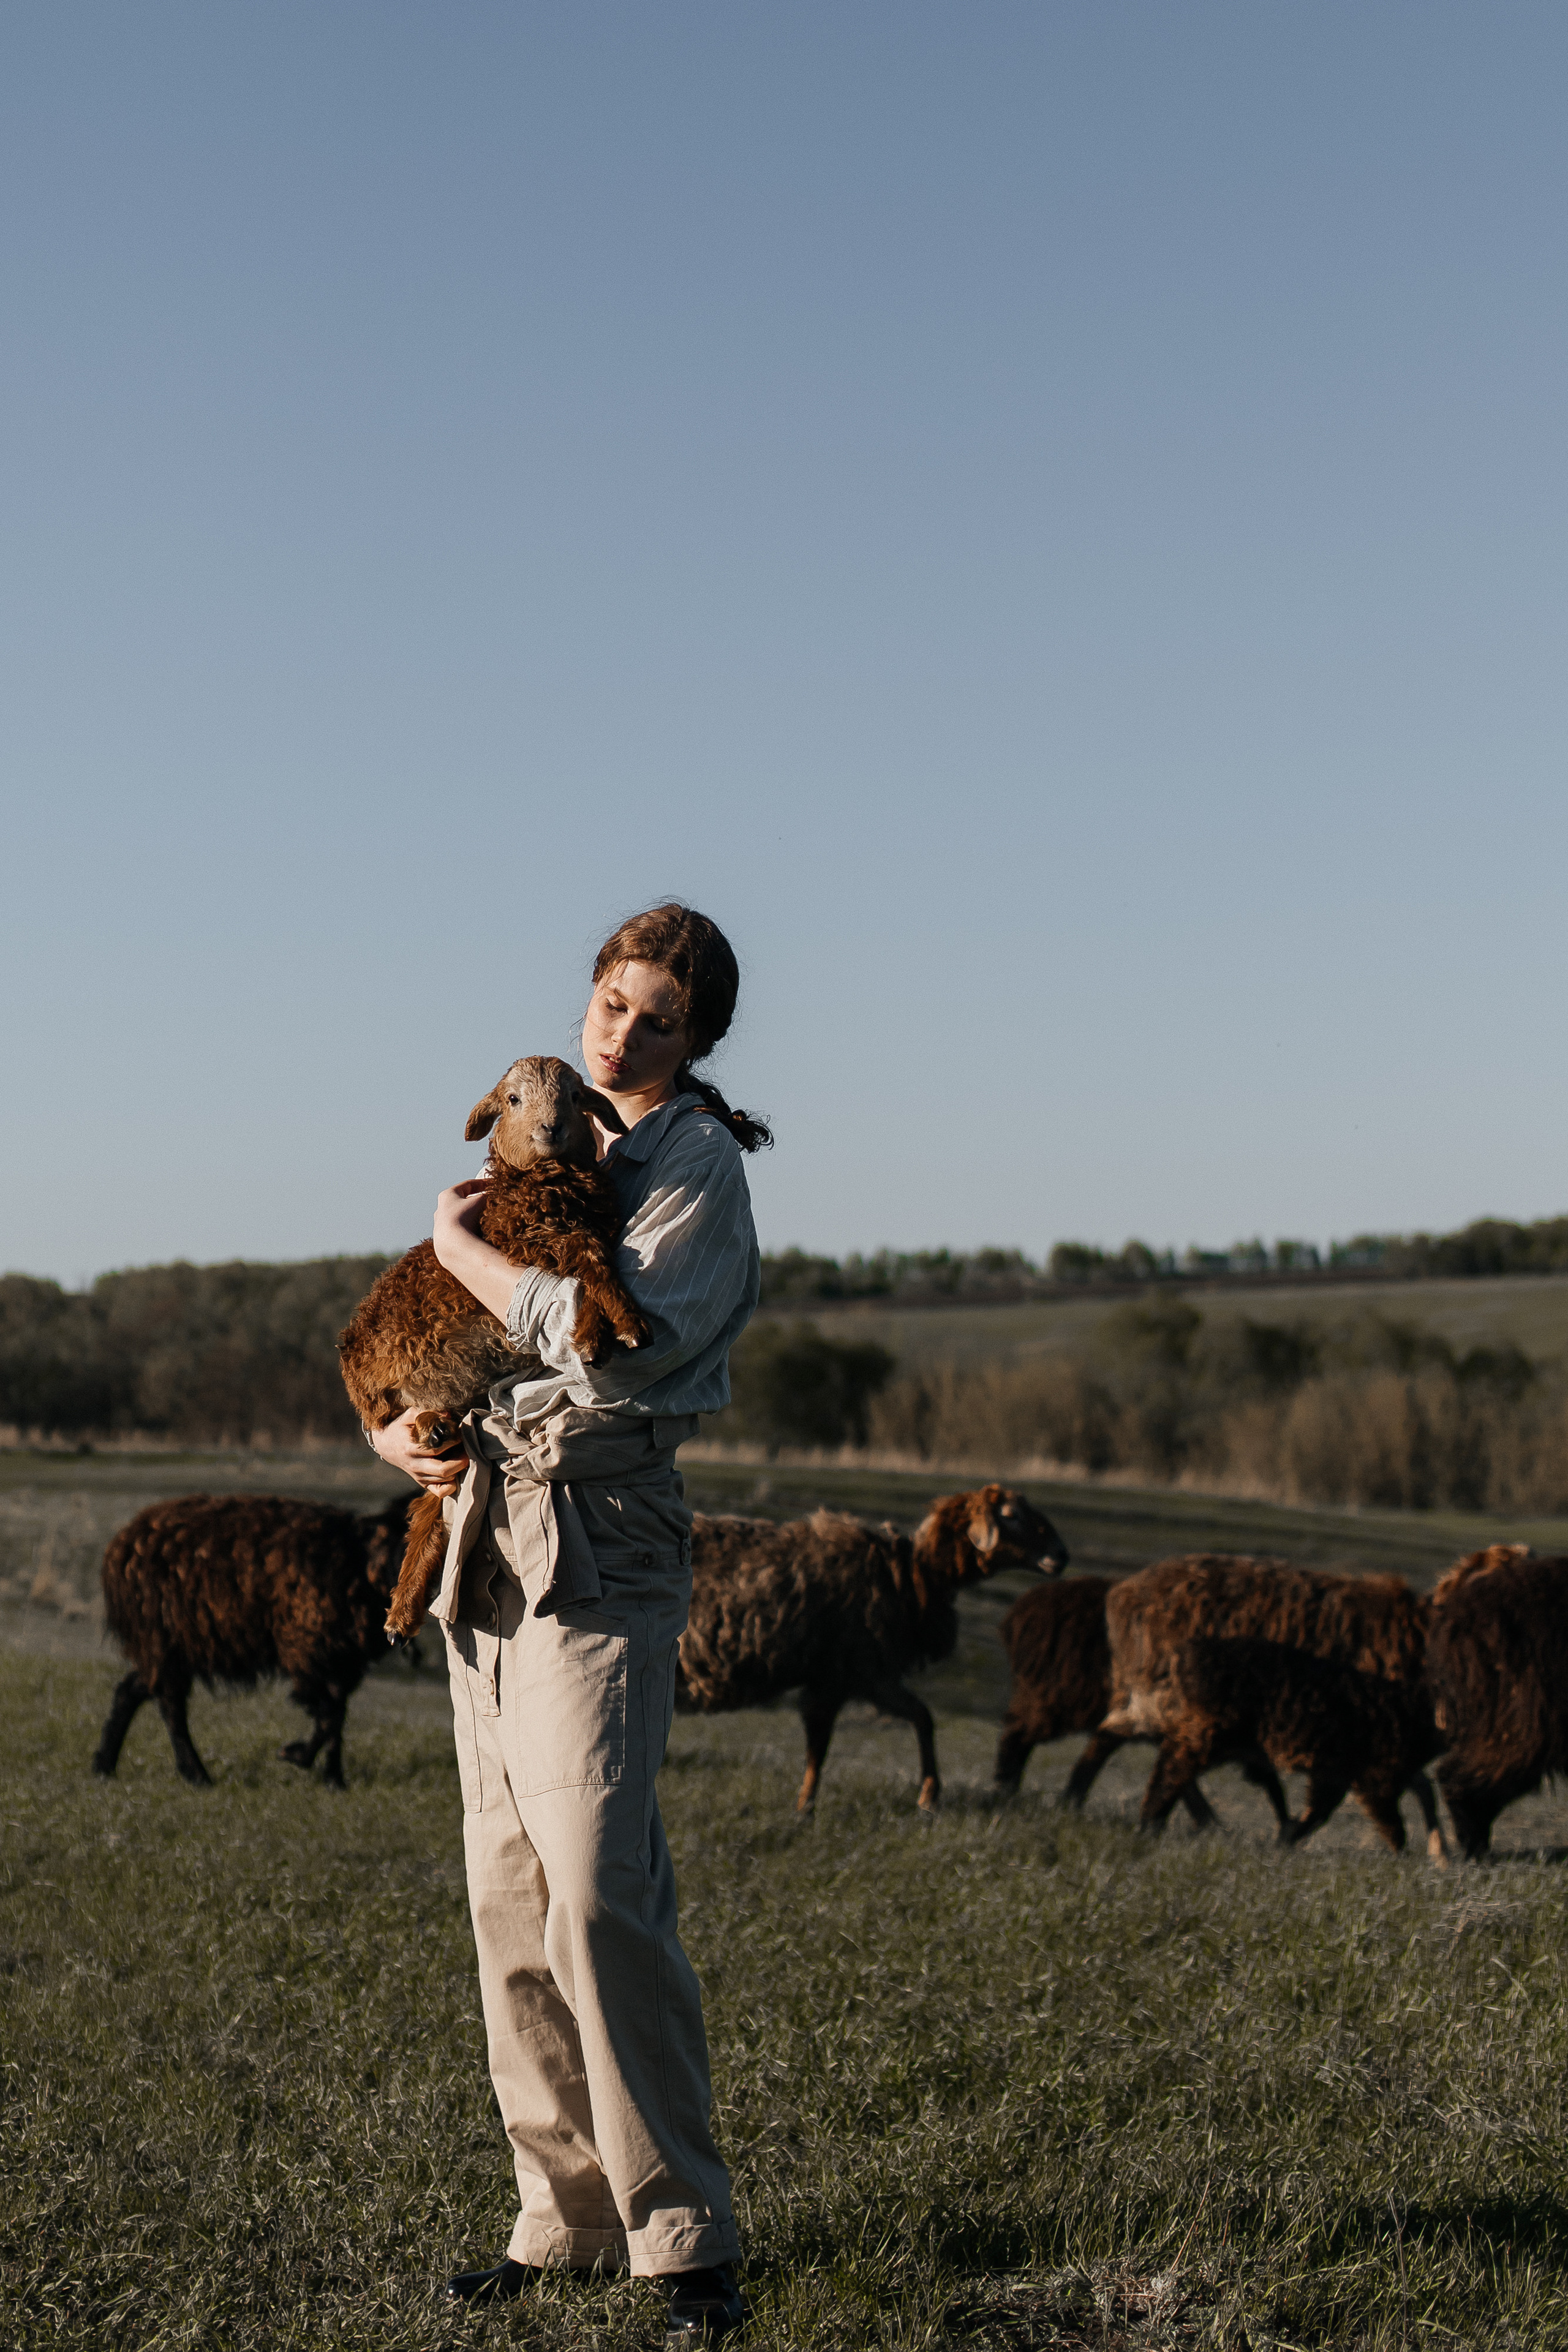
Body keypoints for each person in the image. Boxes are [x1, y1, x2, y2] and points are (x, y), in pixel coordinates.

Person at [371, 902, 768, 2340]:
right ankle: (564, 2220)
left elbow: (615, 1348)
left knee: (600, 1885)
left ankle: (686, 2240)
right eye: (609, 1001)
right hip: (483, 1528)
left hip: (600, 1539)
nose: (621, 1032)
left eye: (656, 1015)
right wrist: (399, 1442)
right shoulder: (545, 1145)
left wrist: (456, 1247)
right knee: (505, 1895)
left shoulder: (695, 1169)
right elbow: (441, 1337)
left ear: (699, 1034)